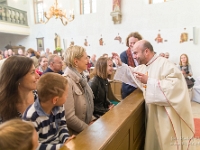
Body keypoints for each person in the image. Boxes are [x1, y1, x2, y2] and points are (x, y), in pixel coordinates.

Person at [112, 40, 194, 150]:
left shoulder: (164, 64)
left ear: (146, 51)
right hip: (153, 114)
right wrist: (121, 65)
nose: (134, 57)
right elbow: (132, 74)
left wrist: (149, 81)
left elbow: (176, 86)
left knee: (166, 144)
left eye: (136, 53)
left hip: (166, 116)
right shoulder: (144, 66)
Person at [23, 73, 73, 150]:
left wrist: (66, 139)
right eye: (66, 95)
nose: (67, 97)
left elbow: (62, 126)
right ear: (55, 100)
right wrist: (62, 146)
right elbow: (33, 146)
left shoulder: (59, 106)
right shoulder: (31, 117)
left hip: (59, 145)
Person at [63, 45, 94, 135]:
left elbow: (87, 104)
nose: (88, 61)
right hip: (75, 135)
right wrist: (87, 129)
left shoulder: (82, 78)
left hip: (85, 128)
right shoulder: (67, 81)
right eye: (85, 58)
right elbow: (69, 117)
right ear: (76, 61)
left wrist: (92, 119)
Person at [0, 56, 39, 123]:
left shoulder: (40, 98)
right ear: (17, 78)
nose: (37, 76)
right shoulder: (2, 105)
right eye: (32, 72)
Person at [120, 32, 142, 99]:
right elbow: (124, 73)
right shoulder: (123, 55)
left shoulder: (142, 53)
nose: (132, 45)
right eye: (130, 43)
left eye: (134, 42)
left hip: (141, 86)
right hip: (128, 88)